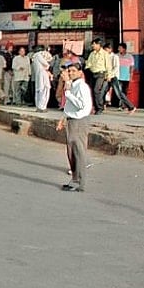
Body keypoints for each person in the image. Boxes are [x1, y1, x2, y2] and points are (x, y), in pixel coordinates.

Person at [56, 61, 92, 191]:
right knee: (72, 152)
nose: (70, 73)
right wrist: (63, 118)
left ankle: (79, 183)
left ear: (80, 72)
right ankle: (75, 180)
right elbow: (69, 106)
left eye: (73, 71)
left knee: (78, 152)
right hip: (72, 120)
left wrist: (68, 94)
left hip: (79, 121)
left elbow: (81, 105)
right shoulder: (72, 85)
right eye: (69, 71)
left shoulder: (81, 87)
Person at [85, 38, 112, 114]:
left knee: (97, 90)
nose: (92, 45)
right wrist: (87, 68)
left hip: (101, 74)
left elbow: (108, 65)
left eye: (94, 44)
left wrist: (108, 75)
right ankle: (94, 107)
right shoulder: (92, 54)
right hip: (92, 73)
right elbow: (89, 63)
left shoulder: (104, 54)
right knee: (92, 91)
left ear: (98, 45)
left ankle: (99, 107)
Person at [109, 42, 137, 113]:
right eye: (118, 48)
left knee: (124, 91)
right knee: (119, 91)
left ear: (124, 49)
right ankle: (121, 105)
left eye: (120, 48)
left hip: (126, 77)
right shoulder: (116, 56)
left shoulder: (130, 57)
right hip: (118, 76)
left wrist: (131, 76)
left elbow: (132, 67)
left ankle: (124, 105)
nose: (119, 49)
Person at [31, 45, 53, 112]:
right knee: (44, 90)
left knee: (39, 90)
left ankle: (39, 106)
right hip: (43, 74)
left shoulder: (34, 56)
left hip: (39, 74)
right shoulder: (38, 55)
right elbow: (46, 64)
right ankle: (42, 107)